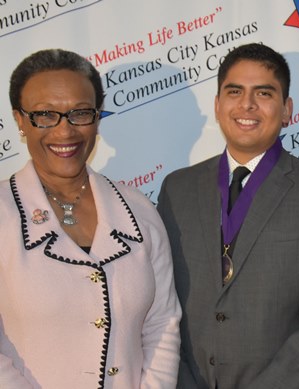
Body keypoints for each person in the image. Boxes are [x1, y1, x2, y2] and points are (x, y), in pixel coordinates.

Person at [157, 43, 299, 389]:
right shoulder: (177, 189)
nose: (247, 105)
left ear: (287, 109)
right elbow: (162, 303)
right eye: (235, 92)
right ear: (218, 105)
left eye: (263, 93)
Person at [0, 49, 182, 388]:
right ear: (21, 121)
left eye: (79, 113)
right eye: (45, 115)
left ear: (97, 117)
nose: (65, 131)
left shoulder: (138, 208)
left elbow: (163, 323)